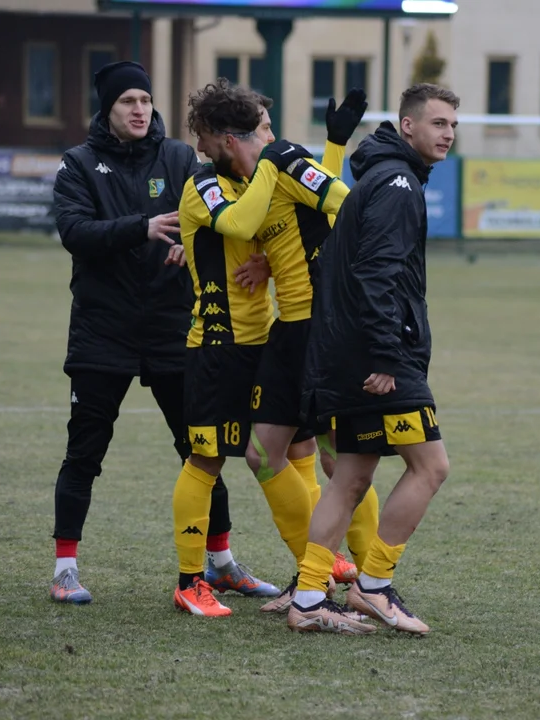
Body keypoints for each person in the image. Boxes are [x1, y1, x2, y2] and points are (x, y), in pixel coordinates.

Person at [49, 62, 277, 605]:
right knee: (84, 453)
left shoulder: (180, 158)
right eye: (127, 99)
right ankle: (64, 570)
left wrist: (194, 244)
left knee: (203, 449)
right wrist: (142, 227)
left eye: (146, 100)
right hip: (103, 333)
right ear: (107, 107)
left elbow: (231, 213)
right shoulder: (79, 164)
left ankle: (220, 562)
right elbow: (73, 231)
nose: (139, 109)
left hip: (176, 330)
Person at [288, 83, 460, 636]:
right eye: (437, 123)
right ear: (407, 127)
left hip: (349, 352)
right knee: (430, 467)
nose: (448, 134)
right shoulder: (398, 182)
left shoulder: (385, 176)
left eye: (453, 125)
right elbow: (374, 275)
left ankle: (309, 598)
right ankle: (375, 585)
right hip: (379, 357)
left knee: (353, 477)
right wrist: (388, 356)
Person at [233, 90, 385, 614]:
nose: (272, 137)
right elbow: (301, 223)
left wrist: (331, 147)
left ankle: (367, 582)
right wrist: (271, 265)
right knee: (264, 454)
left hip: (322, 333)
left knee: (337, 458)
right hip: (291, 331)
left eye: (271, 128)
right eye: (264, 128)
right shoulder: (265, 176)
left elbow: (342, 205)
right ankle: (312, 578)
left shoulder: (281, 159)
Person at [170, 80, 314, 617]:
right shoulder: (203, 183)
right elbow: (241, 224)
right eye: (262, 132)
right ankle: (190, 581)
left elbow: (286, 237)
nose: (270, 141)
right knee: (206, 460)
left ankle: (315, 574)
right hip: (216, 345)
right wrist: (275, 168)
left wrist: (270, 262)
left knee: (288, 454)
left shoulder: (252, 178)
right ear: (227, 138)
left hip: (266, 344)